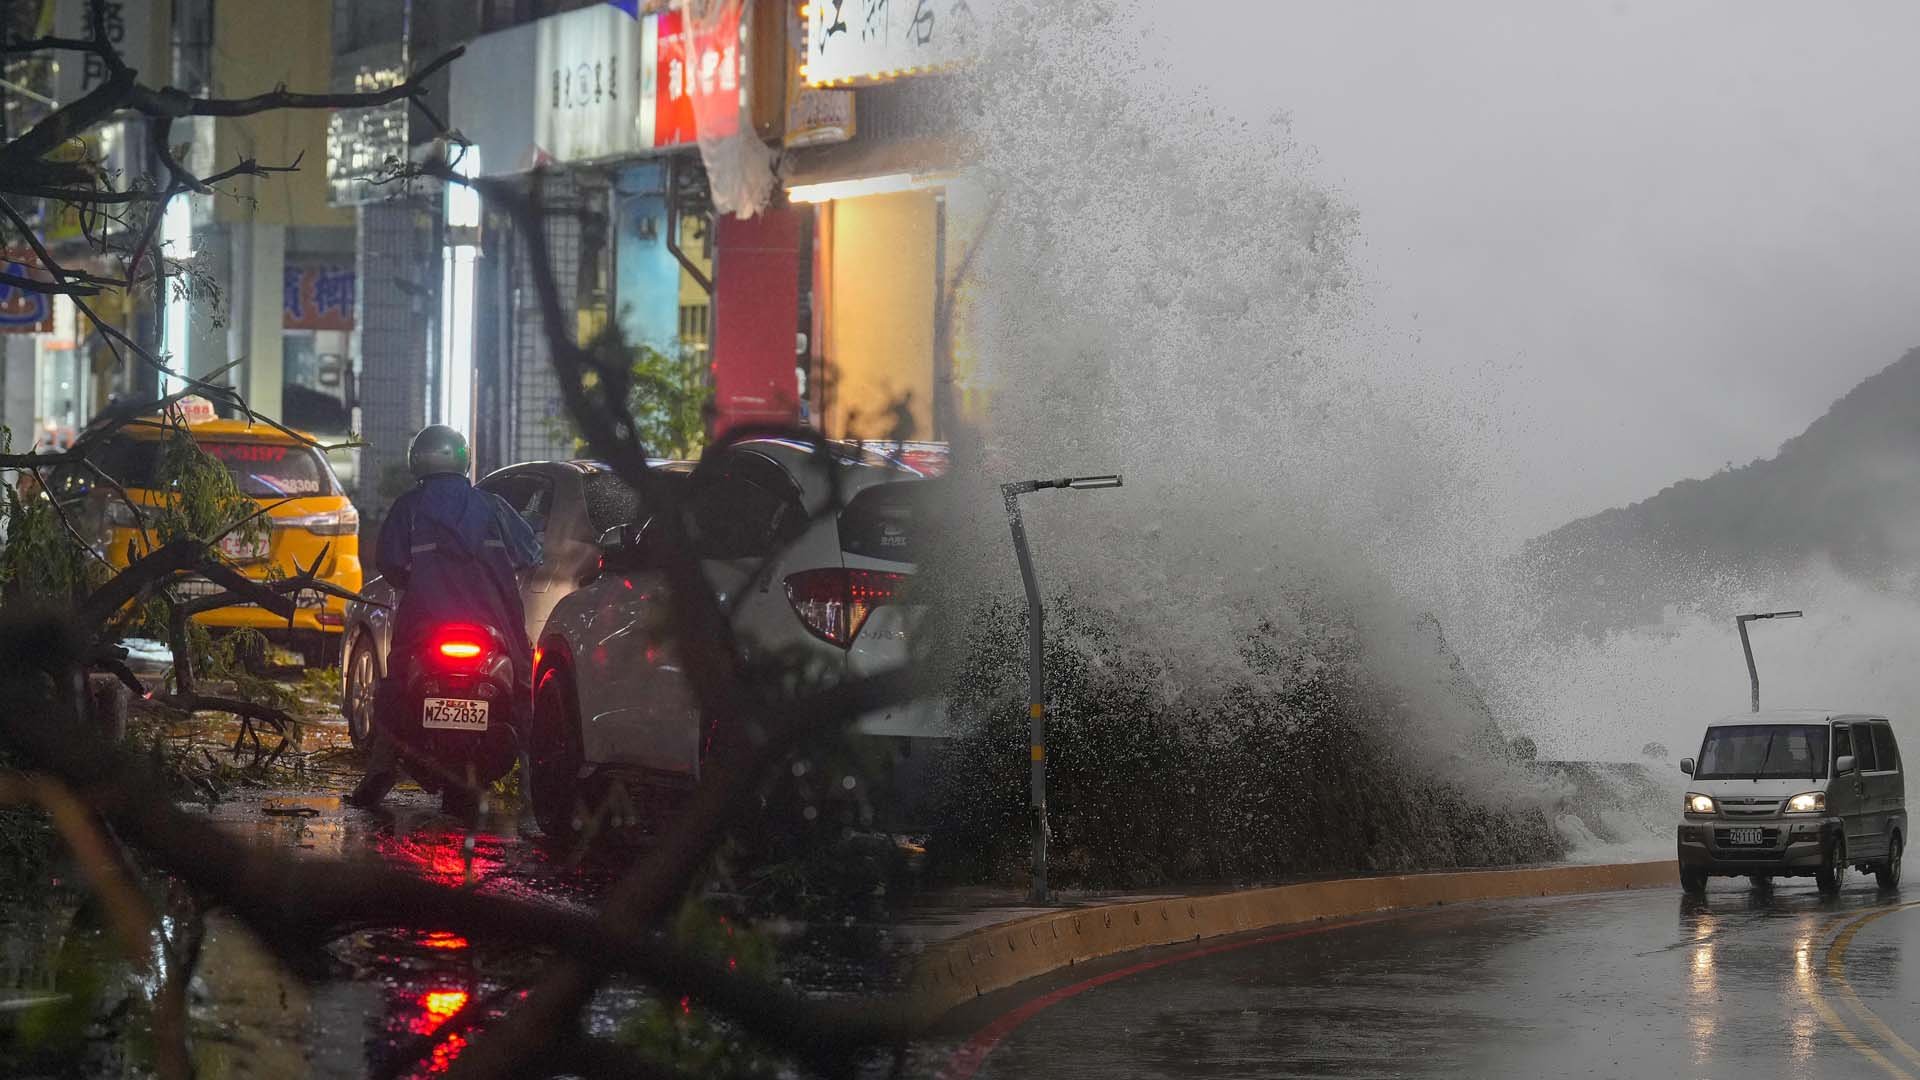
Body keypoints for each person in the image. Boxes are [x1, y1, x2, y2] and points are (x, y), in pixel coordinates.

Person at [347, 426, 541, 812]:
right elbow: (530, 553)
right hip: (496, 624)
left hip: (425, 624)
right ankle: (534, 790)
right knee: (523, 690)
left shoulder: (409, 508)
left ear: (417, 460)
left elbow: (389, 563)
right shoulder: (493, 506)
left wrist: (417, 581)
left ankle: (379, 774)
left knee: (396, 686)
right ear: (463, 459)